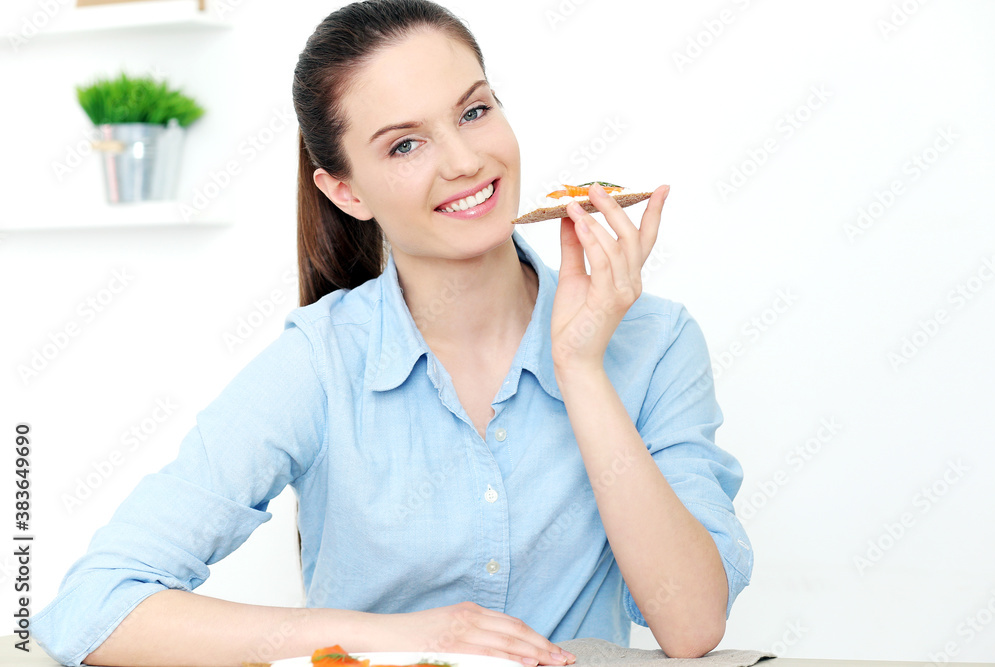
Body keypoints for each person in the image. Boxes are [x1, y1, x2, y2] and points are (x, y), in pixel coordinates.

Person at [31, 1, 753, 665]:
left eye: (473, 111)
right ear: (346, 190)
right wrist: (391, 634)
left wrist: (582, 366)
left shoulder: (653, 341)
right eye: (404, 145)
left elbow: (692, 623)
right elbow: (93, 608)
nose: (465, 161)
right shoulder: (318, 363)